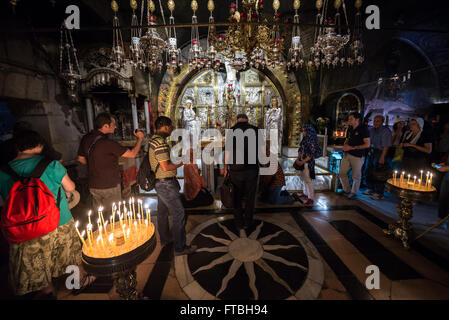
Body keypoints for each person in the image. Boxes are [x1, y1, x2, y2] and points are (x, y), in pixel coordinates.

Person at [0, 130, 81, 299]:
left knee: (39, 267)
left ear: (17, 147)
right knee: (70, 260)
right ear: (39, 145)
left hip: (25, 229)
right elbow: (71, 187)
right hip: (59, 222)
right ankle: (73, 285)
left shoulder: (2, 172)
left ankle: (48, 291)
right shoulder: (52, 165)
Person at [150, 116, 197, 256]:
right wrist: (182, 161)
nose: (171, 130)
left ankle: (165, 239)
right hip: (165, 184)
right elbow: (165, 167)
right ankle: (180, 247)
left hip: (161, 182)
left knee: (163, 212)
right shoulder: (160, 144)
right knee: (178, 213)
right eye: (170, 127)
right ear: (165, 127)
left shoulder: (155, 140)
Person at [77, 113, 144, 210]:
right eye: (113, 124)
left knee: (99, 215)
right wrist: (140, 139)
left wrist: (96, 165)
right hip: (110, 185)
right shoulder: (108, 143)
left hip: (94, 185)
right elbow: (132, 154)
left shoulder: (86, 138)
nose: (115, 126)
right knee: (113, 216)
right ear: (105, 126)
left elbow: (80, 159)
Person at [224, 114, 260, 230]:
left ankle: (238, 222)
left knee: (237, 196)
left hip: (236, 170)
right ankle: (248, 222)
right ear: (248, 121)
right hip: (252, 169)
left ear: (237, 120)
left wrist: (225, 168)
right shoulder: (256, 130)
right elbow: (262, 151)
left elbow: (227, 152)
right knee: (250, 197)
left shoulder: (231, 131)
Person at [338, 112, 370, 199]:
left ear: (357, 120)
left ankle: (354, 192)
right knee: (342, 173)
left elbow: (367, 144)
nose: (349, 120)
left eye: (351, 119)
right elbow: (347, 139)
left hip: (358, 156)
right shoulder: (350, 128)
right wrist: (345, 146)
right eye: (349, 119)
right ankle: (346, 189)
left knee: (356, 176)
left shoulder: (363, 129)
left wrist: (351, 148)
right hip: (347, 154)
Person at [364, 115, 392, 200]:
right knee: (369, 170)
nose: (375, 122)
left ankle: (379, 193)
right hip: (371, 151)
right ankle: (370, 188)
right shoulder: (371, 130)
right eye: (375, 121)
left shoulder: (385, 131)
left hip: (380, 152)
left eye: (378, 121)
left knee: (379, 173)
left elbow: (386, 146)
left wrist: (382, 157)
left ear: (382, 122)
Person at [295, 124, 322, 206]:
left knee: (308, 180)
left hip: (307, 162)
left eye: (304, 131)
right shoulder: (305, 139)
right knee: (304, 178)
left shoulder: (312, 140)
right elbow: (301, 148)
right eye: (303, 130)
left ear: (309, 131)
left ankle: (311, 198)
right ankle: (305, 193)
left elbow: (311, 154)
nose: (303, 132)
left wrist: (303, 161)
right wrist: (299, 157)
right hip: (302, 161)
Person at [435, 161, 449, 230]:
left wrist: (447, 168)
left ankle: (446, 222)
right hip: (447, 177)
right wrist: (445, 164)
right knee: (443, 199)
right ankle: (441, 220)